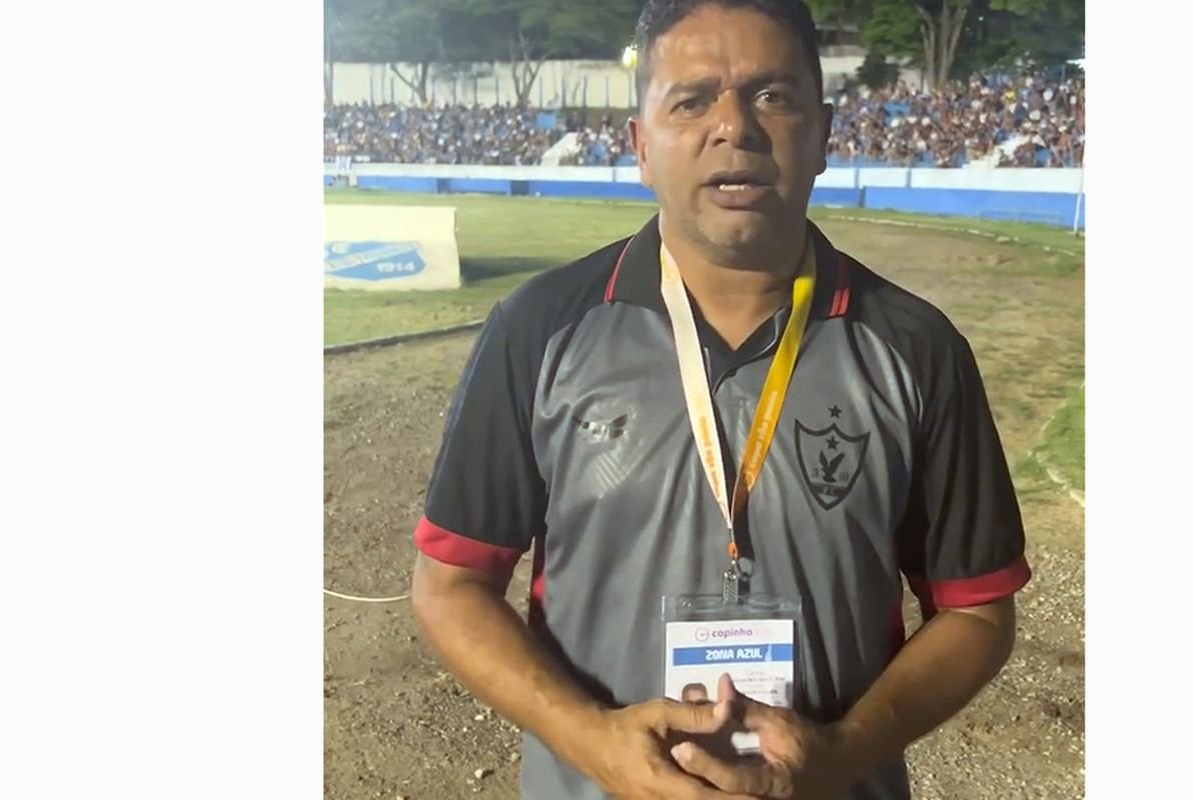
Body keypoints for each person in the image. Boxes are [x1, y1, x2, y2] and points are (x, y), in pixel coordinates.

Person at [409, 1, 1030, 798]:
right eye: (693, 100)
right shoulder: (538, 330)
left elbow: (977, 611)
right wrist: (593, 742)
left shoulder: (916, 348)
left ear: (823, 132)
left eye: (772, 95)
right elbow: (451, 584)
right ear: (641, 144)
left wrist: (839, 753)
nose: (734, 126)